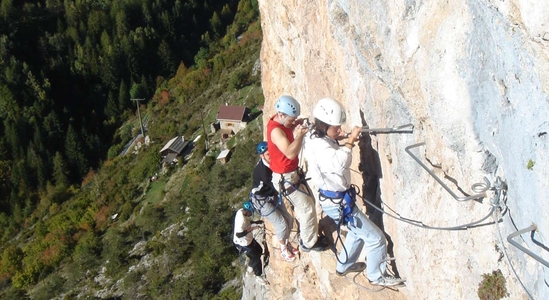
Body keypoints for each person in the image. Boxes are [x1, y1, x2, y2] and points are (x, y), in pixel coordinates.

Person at [304, 97, 405, 287]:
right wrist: (350, 141)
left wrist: (337, 138)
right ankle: (377, 276)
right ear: (324, 126)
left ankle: (344, 265)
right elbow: (338, 163)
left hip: (335, 201)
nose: (340, 130)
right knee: (376, 240)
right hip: (340, 203)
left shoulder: (315, 137)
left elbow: (328, 150)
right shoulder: (321, 145)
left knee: (356, 232)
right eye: (337, 128)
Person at [267, 95, 329, 252]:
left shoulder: (280, 122)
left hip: (290, 175)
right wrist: (300, 135)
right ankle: (308, 243)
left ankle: (310, 235)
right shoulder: (276, 132)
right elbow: (289, 153)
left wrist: (296, 123)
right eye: (291, 119)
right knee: (306, 208)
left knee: (310, 202)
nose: (293, 122)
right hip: (285, 178)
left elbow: (289, 125)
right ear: (281, 115)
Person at [250, 141, 298, 262]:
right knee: (281, 224)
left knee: (289, 219)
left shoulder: (271, 162)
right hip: (262, 200)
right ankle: (283, 249)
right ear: (262, 156)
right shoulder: (264, 173)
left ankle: (286, 243)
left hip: (270, 195)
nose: (270, 155)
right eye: (267, 154)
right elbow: (277, 186)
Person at [233, 201, 268, 286]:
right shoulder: (241, 221)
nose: (250, 214)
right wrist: (253, 228)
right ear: (246, 211)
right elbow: (239, 234)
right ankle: (258, 276)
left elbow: (247, 222)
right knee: (256, 257)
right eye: (250, 213)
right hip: (243, 244)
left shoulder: (242, 211)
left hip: (248, 239)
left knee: (259, 250)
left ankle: (250, 270)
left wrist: (256, 222)